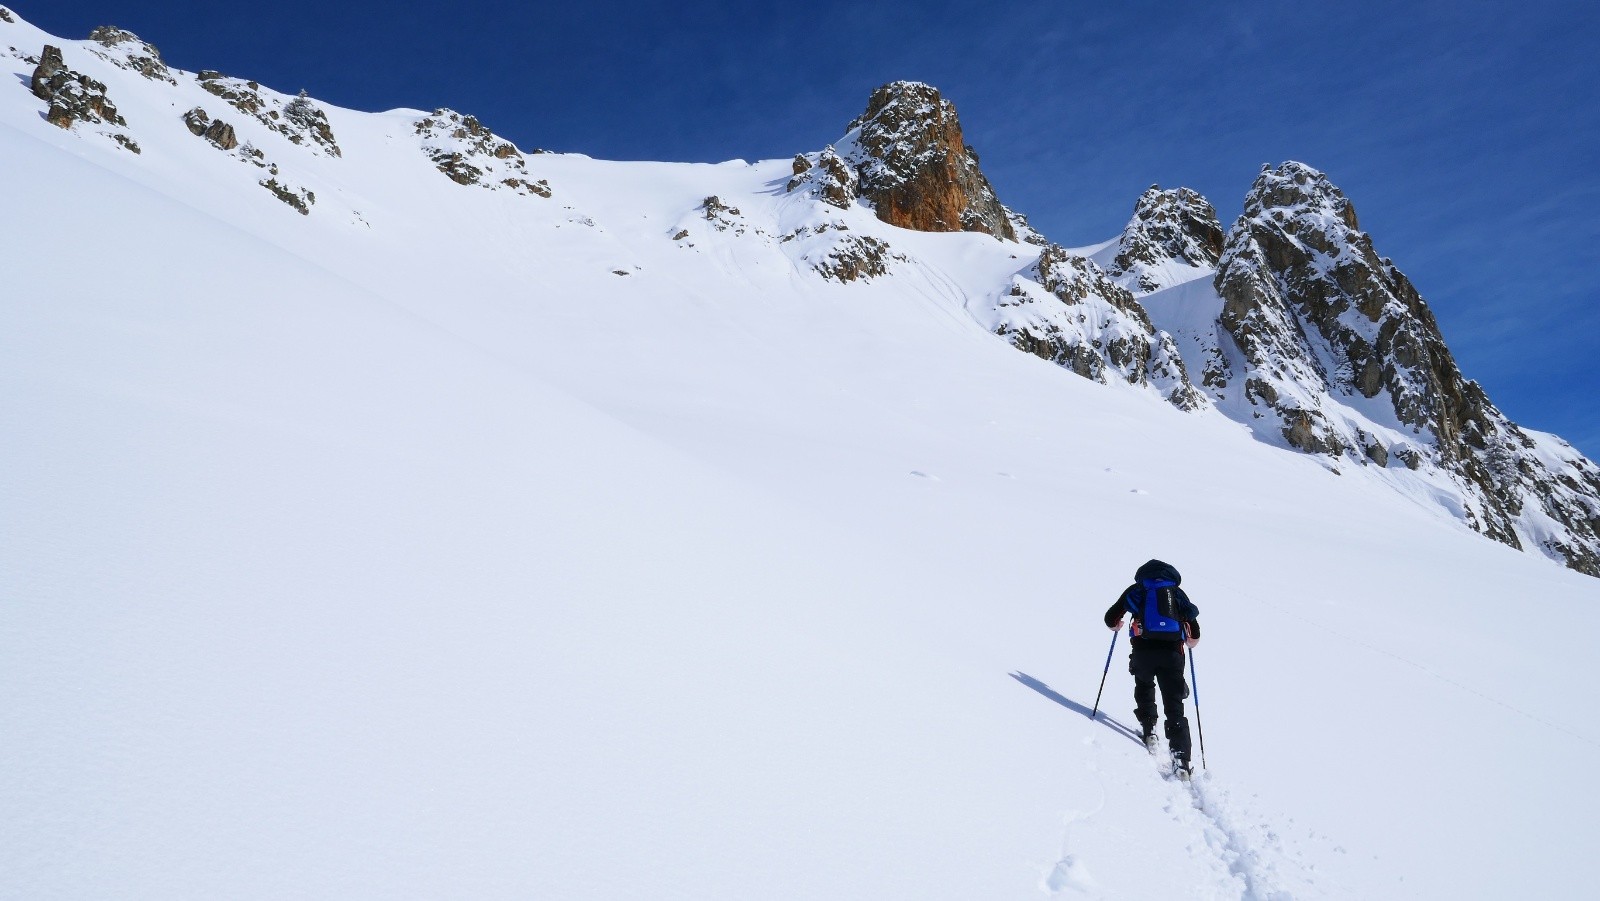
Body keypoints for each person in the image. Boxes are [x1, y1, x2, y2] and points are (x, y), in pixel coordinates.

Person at [1104, 559, 1200, 776]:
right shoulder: (1176, 593)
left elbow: (1110, 618)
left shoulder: (1137, 590)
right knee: (1174, 706)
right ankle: (1181, 760)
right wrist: (1188, 639)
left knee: (1144, 684)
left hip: (1143, 652)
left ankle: (1150, 731)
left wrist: (1117, 625)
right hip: (1172, 655)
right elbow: (1194, 635)